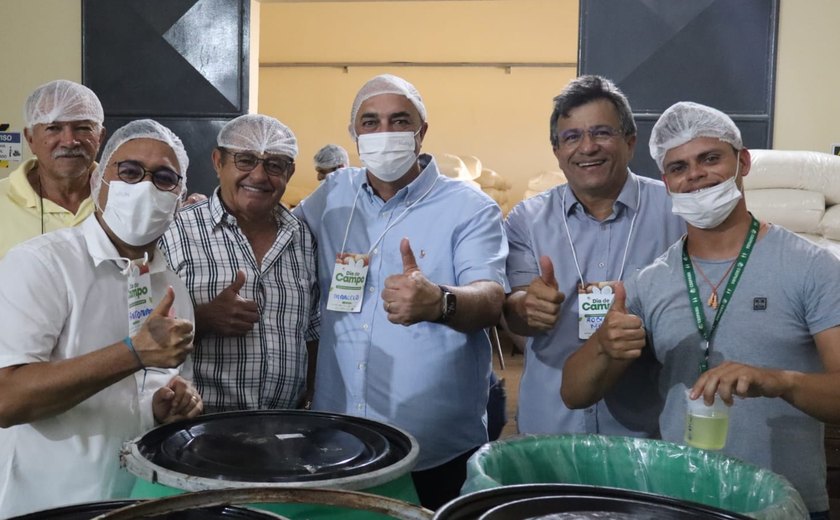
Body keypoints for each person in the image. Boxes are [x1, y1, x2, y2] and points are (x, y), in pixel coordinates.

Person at [561, 101, 840, 519]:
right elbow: (575, 393)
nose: (695, 175)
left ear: (743, 162)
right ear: (666, 181)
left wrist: (779, 381)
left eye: (710, 159)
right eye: (678, 167)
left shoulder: (810, 266)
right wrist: (604, 345)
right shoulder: (650, 281)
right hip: (681, 503)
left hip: (782, 505)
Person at [293, 74, 508, 510]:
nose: (384, 133)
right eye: (370, 122)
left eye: (399, 120)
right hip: (343, 443)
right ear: (354, 136)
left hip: (436, 451)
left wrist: (442, 302)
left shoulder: (468, 207)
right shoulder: (332, 197)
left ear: (421, 131)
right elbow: (279, 236)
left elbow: (489, 297)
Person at [0, 119, 203, 517]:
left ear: (179, 198)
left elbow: (148, 393)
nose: (144, 186)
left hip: (132, 500)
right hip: (45, 502)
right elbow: (7, 399)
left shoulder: (170, 284)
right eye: (128, 172)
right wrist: (132, 353)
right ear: (99, 182)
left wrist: (166, 406)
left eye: (164, 178)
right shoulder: (42, 264)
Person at [503, 75, 684, 436]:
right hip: (552, 423)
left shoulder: (676, 213)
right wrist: (525, 307)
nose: (587, 148)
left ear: (630, 142)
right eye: (572, 137)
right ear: (556, 150)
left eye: (602, 133)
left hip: (644, 429)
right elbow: (514, 315)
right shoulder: (527, 219)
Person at [160, 114, 320, 412]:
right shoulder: (174, 232)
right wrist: (202, 320)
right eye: (245, 160)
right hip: (197, 429)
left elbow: (311, 331)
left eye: (275, 165)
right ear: (218, 161)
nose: (259, 176)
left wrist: (310, 396)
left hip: (284, 429)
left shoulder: (302, 238)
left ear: (290, 172)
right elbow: (140, 334)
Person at [0, 79, 106, 258]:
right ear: (30, 139)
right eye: (53, 128)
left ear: (100, 137)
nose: (69, 141)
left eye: (82, 128)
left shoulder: (123, 198)